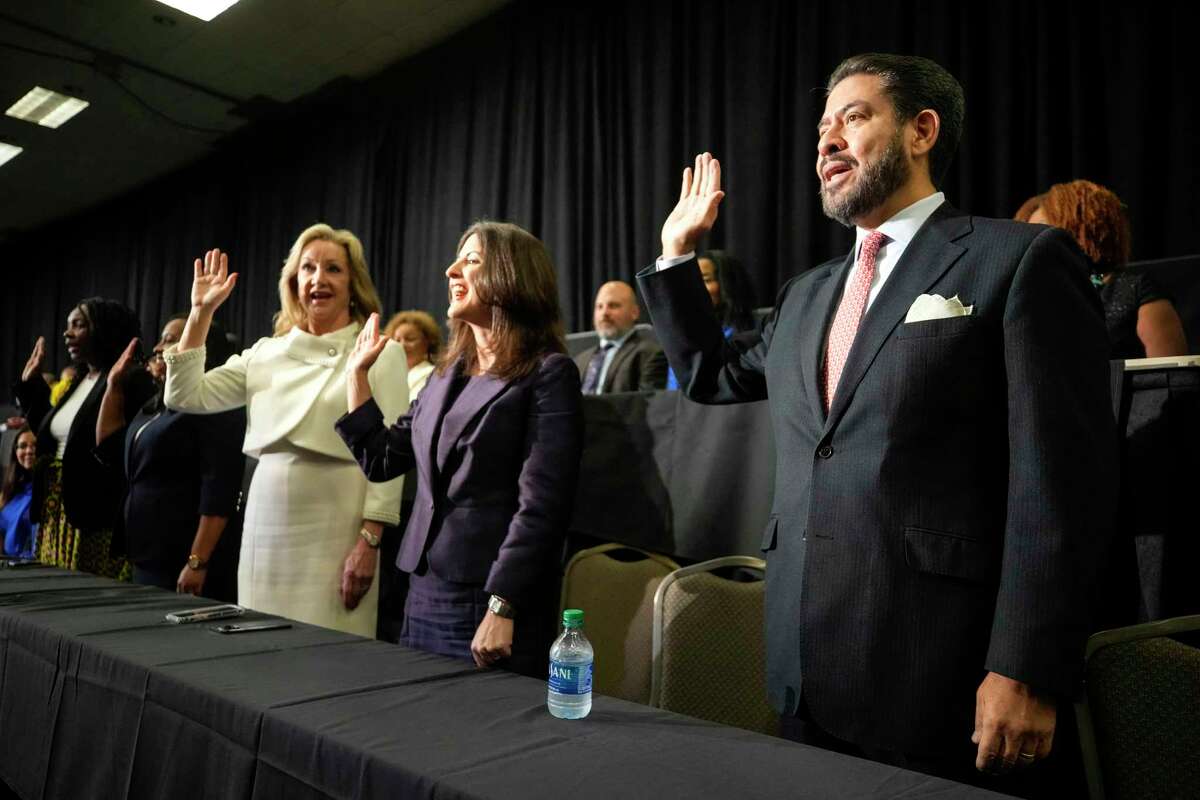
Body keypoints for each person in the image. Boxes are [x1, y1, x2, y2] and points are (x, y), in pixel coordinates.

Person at [638, 54, 1118, 795]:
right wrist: (676, 257)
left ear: (922, 130)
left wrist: (1026, 665)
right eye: (822, 127)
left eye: (853, 117)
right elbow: (711, 375)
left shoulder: (1017, 259)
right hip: (805, 673)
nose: (827, 140)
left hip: (941, 680)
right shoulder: (806, 295)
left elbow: (1063, 485)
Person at [335, 221, 583, 677]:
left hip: (487, 598)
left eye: (471, 261)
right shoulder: (444, 376)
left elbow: (542, 507)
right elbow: (382, 458)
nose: (451, 270)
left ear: (513, 277)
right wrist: (357, 378)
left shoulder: (548, 374)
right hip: (421, 587)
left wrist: (503, 606)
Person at [163, 223, 408, 636]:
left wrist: (370, 541)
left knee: (329, 654)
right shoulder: (266, 353)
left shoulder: (381, 352)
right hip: (266, 524)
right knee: (260, 646)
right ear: (293, 282)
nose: (318, 279)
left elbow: (390, 459)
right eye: (308, 268)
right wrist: (201, 312)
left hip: (339, 524)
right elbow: (183, 395)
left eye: (333, 269)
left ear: (353, 283)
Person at [95, 314, 246, 597]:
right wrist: (113, 386)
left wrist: (197, 562)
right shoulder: (155, 406)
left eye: (171, 339)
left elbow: (219, 490)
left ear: (201, 348)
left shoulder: (216, 405)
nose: (158, 347)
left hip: (184, 560)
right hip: (145, 555)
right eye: (162, 339)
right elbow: (109, 448)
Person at [14, 298, 154, 577]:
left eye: (78, 325)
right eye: (67, 326)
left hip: (94, 513)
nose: (67, 333)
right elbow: (57, 435)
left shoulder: (128, 378)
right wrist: (31, 386)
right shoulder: (80, 379)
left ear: (103, 329)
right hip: (58, 508)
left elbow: (122, 447)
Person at [1016, 180, 1188, 359]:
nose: (1035, 244)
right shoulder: (1031, 295)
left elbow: (1169, 374)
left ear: (1086, 229)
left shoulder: (1135, 289)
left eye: (1045, 231)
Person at [666, 250, 759, 389]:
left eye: (705, 280)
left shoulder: (755, 335)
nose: (695, 287)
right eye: (692, 281)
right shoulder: (686, 335)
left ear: (728, 284)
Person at [574, 281, 667, 393]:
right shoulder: (580, 360)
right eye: (599, 306)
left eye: (613, 306)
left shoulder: (650, 354)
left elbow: (646, 405)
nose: (604, 313)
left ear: (634, 312)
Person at [383, 310, 443, 399]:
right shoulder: (390, 377)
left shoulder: (431, 375)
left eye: (410, 339)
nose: (401, 345)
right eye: (397, 340)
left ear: (428, 343)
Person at [0, 426, 37, 559]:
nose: (29, 451)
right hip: (8, 565)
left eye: (35, 445)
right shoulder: (10, 489)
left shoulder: (49, 491)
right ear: (15, 452)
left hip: (32, 567)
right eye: (22, 446)